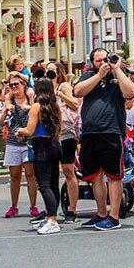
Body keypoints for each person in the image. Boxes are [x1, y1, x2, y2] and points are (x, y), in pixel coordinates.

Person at [73, 47, 134, 231]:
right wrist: (99, 75)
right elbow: (78, 91)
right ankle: (101, 213)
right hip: (90, 133)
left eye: (105, 59)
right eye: (98, 60)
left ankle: (114, 216)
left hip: (112, 131)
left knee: (114, 176)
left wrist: (117, 68)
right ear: (92, 62)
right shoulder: (89, 76)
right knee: (95, 176)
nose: (103, 63)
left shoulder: (118, 77)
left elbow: (130, 92)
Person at [16, 77, 63, 235]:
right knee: (53, 183)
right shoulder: (55, 106)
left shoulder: (36, 107)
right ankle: (51, 216)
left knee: (43, 185)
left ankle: (52, 219)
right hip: (54, 145)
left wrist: (19, 131)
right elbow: (59, 129)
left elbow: (29, 130)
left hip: (41, 146)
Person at [0, 71, 39, 218]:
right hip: (13, 142)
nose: (14, 87)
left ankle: (33, 206)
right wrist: (5, 110)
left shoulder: (30, 98)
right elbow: (1, 122)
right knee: (14, 175)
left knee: (30, 174)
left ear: (23, 85)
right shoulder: (9, 102)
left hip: (29, 142)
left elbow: (37, 113)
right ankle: (14, 206)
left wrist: (30, 105)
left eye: (17, 84)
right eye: (11, 85)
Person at [47, 61, 81, 223]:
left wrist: (59, 94)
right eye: (47, 71)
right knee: (51, 173)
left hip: (66, 134)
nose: (49, 74)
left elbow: (75, 104)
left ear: (59, 72)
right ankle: (50, 208)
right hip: (51, 134)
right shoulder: (45, 89)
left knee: (68, 170)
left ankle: (72, 210)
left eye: (52, 71)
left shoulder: (64, 87)